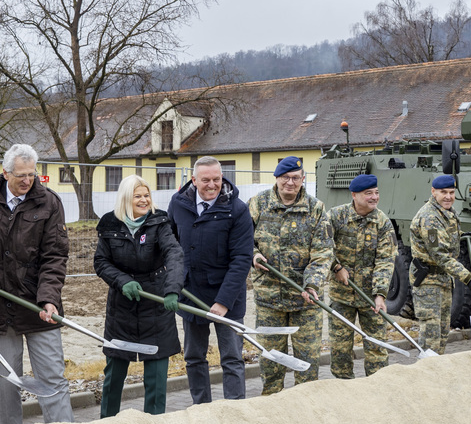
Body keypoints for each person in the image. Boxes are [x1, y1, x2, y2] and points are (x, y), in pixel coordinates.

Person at [0, 144, 73, 424]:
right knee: (6, 382)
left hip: (38, 305)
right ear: (5, 173)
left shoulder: (49, 202)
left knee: (52, 377)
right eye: (20, 175)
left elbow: (55, 255)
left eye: (31, 174)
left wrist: (49, 299)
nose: (27, 181)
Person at [93, 174, 184, 417]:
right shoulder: (110, 224)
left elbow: (174, 254)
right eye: (138, 196)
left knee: (156, 378)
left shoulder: (159, 222)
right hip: (121, 308)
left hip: (156, 306)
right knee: (114, 375)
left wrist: (172, 289)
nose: (144, 200)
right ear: (126, 198)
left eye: (147, 195)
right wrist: (123, 281)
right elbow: (101, 262)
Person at [168, 156, 254, 404]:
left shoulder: (237, 210)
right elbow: (170, 246)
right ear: (194, 180)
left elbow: (241, 259)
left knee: (231, 357)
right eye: (205, 180)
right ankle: (201, 407)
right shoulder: (178, 204)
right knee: (194, 357)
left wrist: (224, 302)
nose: (212, 185)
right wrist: (173, 284)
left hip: (228, 299)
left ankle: (235, 408)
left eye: (217, 179)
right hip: (191, 295)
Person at [250, 156, 333, 393]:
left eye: (295, 178)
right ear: (276, 179)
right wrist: (253, 255)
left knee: (307, 364)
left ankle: (305, 412)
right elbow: (241, 240)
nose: (290, 182)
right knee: (271, 362)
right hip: (269, 300)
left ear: (303, 179)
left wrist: (313, 285)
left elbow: (323, 253)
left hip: (305, 302)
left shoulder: (316, 209)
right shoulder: (258, 204)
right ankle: (271, 407)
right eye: (285, 177)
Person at [324, 174, 398, 378]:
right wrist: (336, 268)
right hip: (342, 296)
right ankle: (344, 388)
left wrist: (380, 295)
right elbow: (322, 246)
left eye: (376, 193)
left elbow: (385, 260)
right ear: (354, 195)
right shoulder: (335, 217)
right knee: (340, 349)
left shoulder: (382, 223)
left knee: (377, 347)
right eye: (369, 193)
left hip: (370, 298)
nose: (374, 197)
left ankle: (377, 388)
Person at [409, 174, 471, 354]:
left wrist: (463, 236)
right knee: (431, 337)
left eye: (451, 192)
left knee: (442, 333)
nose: (448, 196)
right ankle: (426, 374)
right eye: (443, 192)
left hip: (442, 279)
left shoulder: (446, 212)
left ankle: (436, 374)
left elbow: (447, 235)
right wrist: (468, 278)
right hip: (429, 282)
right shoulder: (429, 218)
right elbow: (440, 255)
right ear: (433, 192)